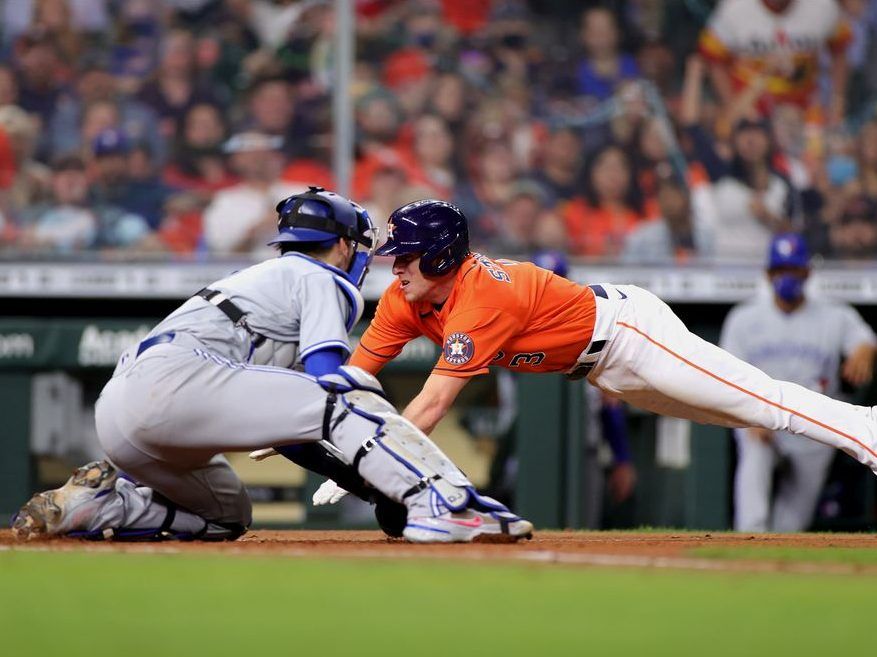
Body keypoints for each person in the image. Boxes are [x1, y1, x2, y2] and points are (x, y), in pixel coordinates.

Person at [11, 188, 532, 545]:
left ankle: (100, 508)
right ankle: (447, 502)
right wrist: (383, 482)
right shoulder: (318, 277)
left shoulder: (265, 277)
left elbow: (294, 432)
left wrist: (367, 483)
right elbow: (330, 383)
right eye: (362, 247)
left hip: (123, 412)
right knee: (350, 387)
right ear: (344, 245)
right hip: (176, 382)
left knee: (227, 516)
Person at [336, 199, 877, 498]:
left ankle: (866, 431)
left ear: (440, 258)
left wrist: (369, 457)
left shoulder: (483, 298)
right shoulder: (403, 301)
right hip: (603, 370)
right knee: (734, 413)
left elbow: (430, 405)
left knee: (762, 401)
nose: (396, 266)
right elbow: (352, 380)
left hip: (629, 334)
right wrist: (308, 422)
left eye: (406, 256)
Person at [721, 233, 876, 531]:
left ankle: (777, 563)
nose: (787, 277)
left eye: (793, 269)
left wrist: (863, 352)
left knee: (792, 523)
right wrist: (747, 417)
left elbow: (864, 339)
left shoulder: (835, 315)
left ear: (806, 272)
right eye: (781, 270)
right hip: (761, 421)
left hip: (814, 429)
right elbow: (725, 375)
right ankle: (747, 537)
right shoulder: (744, 318)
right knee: (755, 454)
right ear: (768, 274)